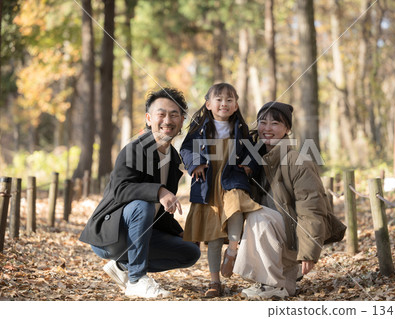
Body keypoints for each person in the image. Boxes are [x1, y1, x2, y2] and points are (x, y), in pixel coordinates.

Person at [79, 88, 201, 299]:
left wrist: (180, 232)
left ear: (182, 120)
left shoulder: (173, 158)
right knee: (142, 204)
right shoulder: (135, 148)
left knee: (190, 251)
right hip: (111, 235)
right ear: (149, 118)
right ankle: (136, 279)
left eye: (174, 114)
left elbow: (159, 213)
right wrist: (160, 191)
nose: (167, 120)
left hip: (138, 234)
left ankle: (122, 266)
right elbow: (121, 190)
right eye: (161, 114)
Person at [233, 101, 333, 299]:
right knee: (286, 291)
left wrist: (308, 252)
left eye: (275, 123)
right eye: (263, 122)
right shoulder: (253, 159)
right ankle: (273, 282)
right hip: (274, 236)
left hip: (293, 238)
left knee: (258, 215)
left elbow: (311, 208)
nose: (267, 128)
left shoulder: (298, 160)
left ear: (287, 128)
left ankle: (272, 283)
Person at [180, 83, 261, 297]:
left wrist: (249, 164)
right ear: (208, 104)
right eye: (219, 99)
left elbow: (252, 151)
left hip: (232, 179)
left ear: (235, 106)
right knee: (213, 235)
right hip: (208, 184)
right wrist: (195, 163)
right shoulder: (200, 128)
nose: (224, 103)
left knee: (236, 208)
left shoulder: (240, 129)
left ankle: (233, 249)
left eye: (229, 100)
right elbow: (186, 149)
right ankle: (214, 281)